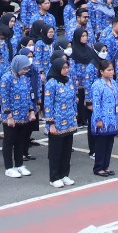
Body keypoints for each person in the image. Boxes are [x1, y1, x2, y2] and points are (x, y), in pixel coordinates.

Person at [43, 55, 78, 188]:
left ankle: (64, 174)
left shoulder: (68, 81)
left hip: (69, 121)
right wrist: (50, 123)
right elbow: (48, 105)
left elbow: (74, 98)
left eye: (67, 67)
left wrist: (75, 115)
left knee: (66, 151)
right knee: (55, 151)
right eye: (63, 68)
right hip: (57, 123)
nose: (66, 70)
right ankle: (54, 177)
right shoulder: (51, 83)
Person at [0, 54, 35, 178]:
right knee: (9, 141)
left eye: (27, 69)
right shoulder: (6, 78)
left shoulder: (24, 78)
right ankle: (9, 167)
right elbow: (4, 99)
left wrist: (31, 111)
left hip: (23, 115)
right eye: (23, 68)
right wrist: (9, 116)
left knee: (20, 141)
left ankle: (19, 165)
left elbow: (29, 95)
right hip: (11, 117)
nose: (25, 71)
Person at [88, 57, 118, 177]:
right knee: (101, 144)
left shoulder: (114, 83)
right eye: (108, 70)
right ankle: (98, 167)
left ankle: (106, 166)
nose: (111, 72)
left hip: (112, 118)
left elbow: (117, 101)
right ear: (101, 71)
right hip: (102, 118)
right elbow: (96, 104)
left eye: (112, 70)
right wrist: (98, 120)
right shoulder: (97, 85)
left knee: (109, 143)